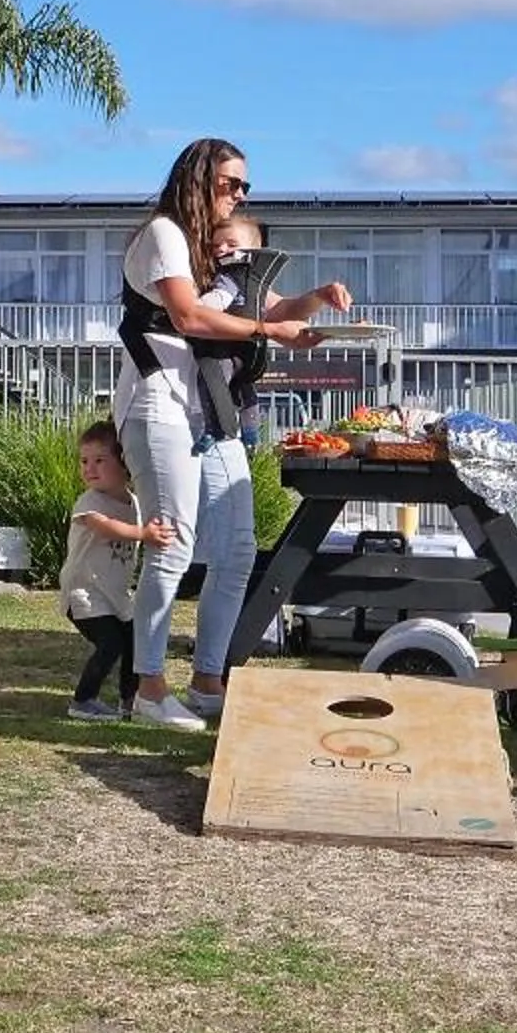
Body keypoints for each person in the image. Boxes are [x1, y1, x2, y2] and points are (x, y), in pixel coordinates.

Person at [117, 140, 347, 730]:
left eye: (245, 186)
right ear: (199, 179)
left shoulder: (203, 249)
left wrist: (318, 301)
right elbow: (191, 317)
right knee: (171, 545)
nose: (239, 195)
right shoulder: (164, 234)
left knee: (239, 548)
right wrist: (270, 331)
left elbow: (265, 307)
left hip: (208, 411)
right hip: (159, 404)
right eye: (230, 183)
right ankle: (148, 689)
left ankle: (208, 682)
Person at [62, 419, 174, 721]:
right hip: (85, 592)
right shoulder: (89, 502)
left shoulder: (134, 503)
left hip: (115, 594)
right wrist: (144, 534)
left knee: (134, 643)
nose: (89, 468)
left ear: (124, 462)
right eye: (84, 461)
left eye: (100, 460)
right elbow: (105, 527)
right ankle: (83, 700)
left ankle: (130, 698)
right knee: (110, 644)